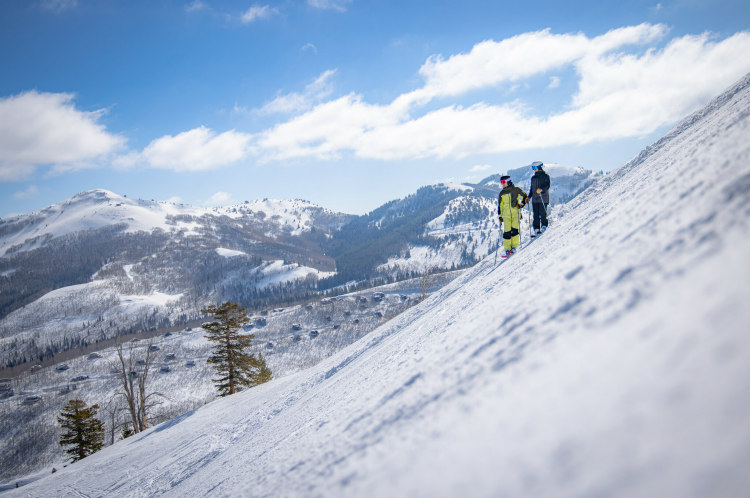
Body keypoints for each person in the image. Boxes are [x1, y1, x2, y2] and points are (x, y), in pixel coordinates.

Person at [498, 175, 528, 257]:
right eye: (501, 182)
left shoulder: (516, 190)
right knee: (507, 232)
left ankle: (514, 247)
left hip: (516, 214)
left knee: (514, 231)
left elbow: (525, 197)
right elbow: (500, 205)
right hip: (506, 215)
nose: (502, 184)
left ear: (508, 181)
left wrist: (521, 205)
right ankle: (507, 249)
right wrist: (500, 216)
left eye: (503, 182)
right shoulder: (502, 193)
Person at [528, 160, 550, 236]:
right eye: (532, 168)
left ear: (539, 167)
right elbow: (532, 188)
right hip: (535, 199)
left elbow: (547, 186)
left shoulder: (546, 176)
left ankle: (544, 226)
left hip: (543, 198)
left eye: (534, 167)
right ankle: (536, 229)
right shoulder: (533, 178)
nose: (533, 169)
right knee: (535, 214)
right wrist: (529, 197)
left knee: (542, 213)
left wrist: (541, 189)